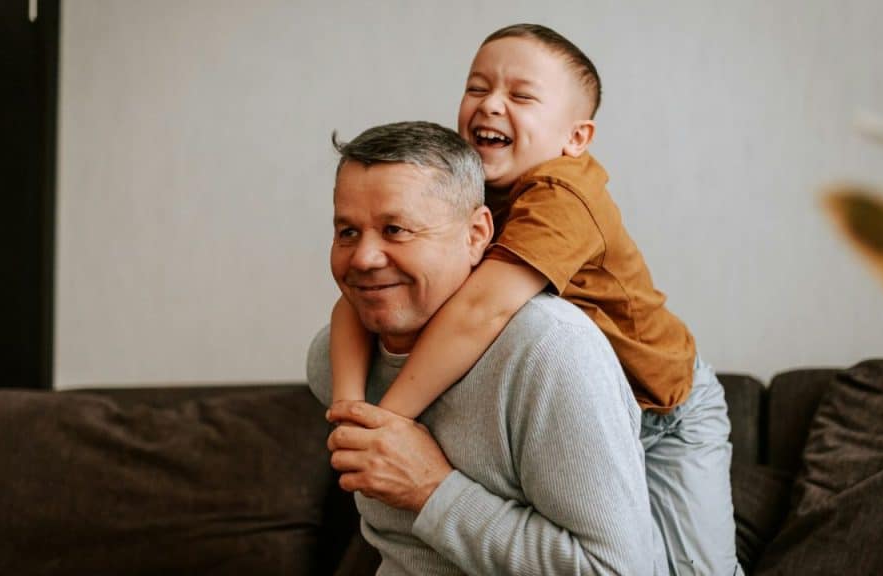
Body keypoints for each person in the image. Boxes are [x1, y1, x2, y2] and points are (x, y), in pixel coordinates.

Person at [330, 24, 740, 575]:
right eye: (477, 88)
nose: (491, 105)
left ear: (576, 138)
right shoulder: (461, 190)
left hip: (663, 410)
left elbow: (482, 310)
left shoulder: (563, 196)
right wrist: (351, 414)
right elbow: (354, 300)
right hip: (578, 411)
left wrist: (390, 424)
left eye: (521, 96)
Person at [308, 120, 665, 575]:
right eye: (348, 233)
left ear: (477, 235)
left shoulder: (551, 354)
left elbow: (616, 570)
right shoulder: (334, 363)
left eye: (396, 229)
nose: (363, 258)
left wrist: (432, 490)